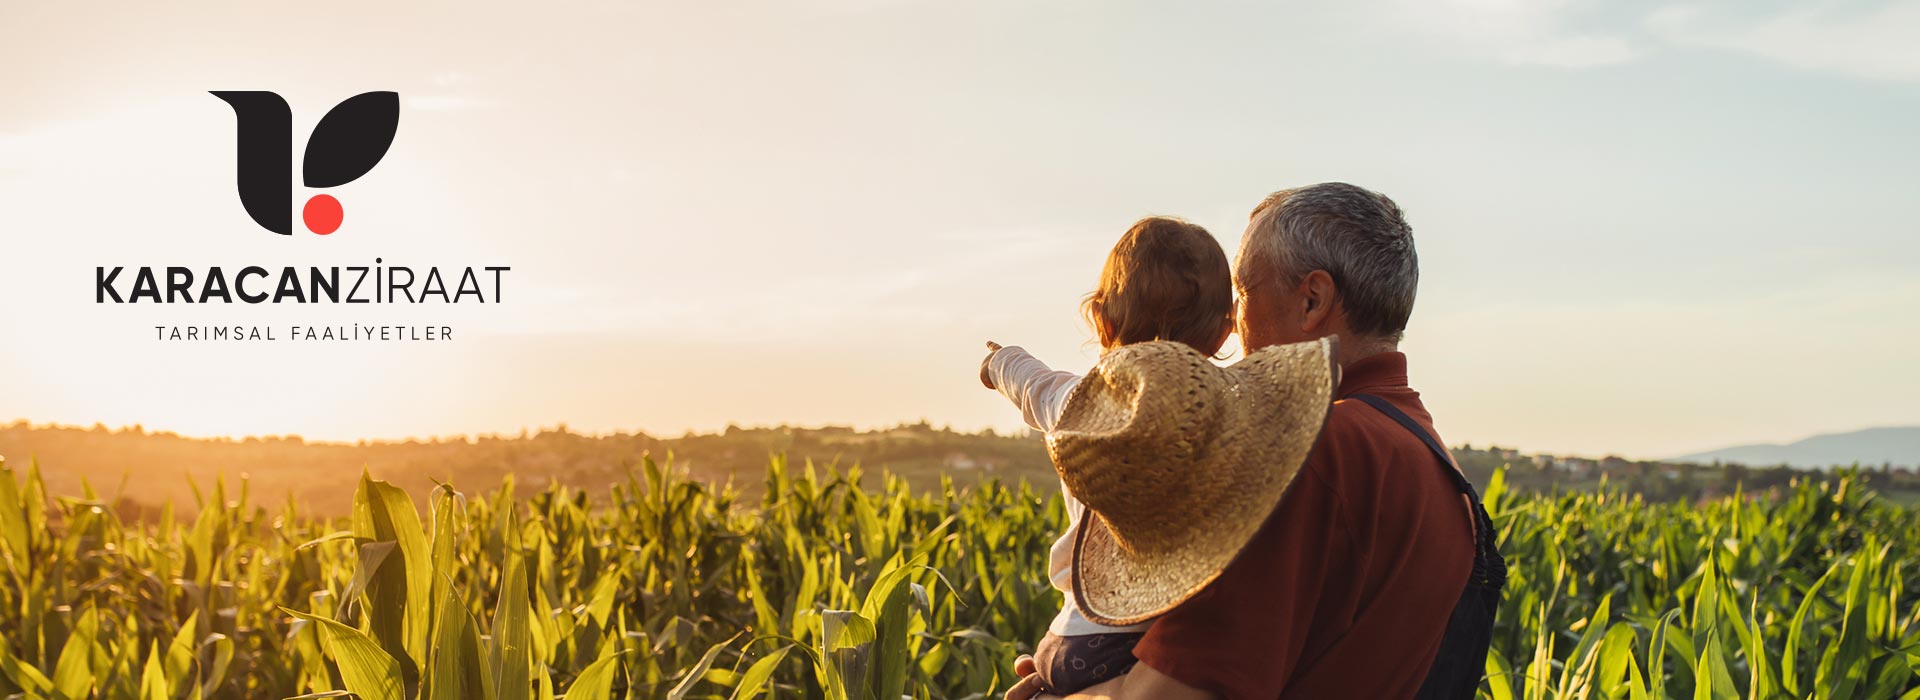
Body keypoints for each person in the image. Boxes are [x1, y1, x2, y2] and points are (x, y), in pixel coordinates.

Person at [1007, 183, 1505, 700]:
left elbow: (1172, 694)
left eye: (1242, 294)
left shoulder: (1304, 455)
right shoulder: (1430, 456)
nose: (1233, 329)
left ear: (1311, 300)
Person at [979, 216, 1239, 695]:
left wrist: (1000, 361)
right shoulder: (1226, 426)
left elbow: (1034, 383)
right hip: (1137, 643)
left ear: (1102, 321)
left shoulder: (1078, 400)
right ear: (1225, 334)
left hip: (1075, 636)